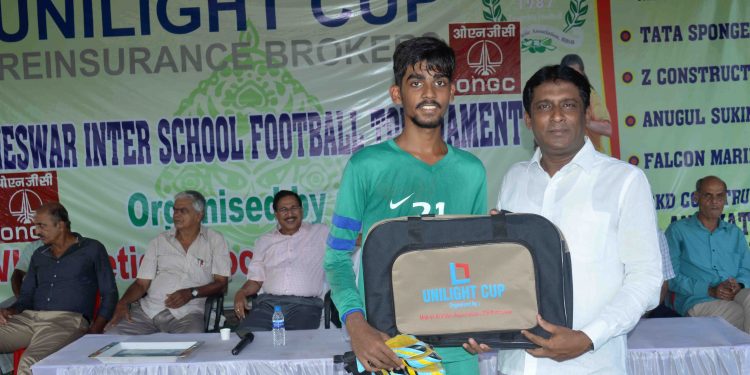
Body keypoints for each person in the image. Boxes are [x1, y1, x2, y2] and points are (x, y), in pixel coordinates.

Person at [466, 64, 662, 374]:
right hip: (517, 366)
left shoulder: (625, 181)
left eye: (568, 105)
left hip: (589, 364)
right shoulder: (514, 179)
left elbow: (647, 279)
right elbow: (504, 269)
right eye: (544, 106)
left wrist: (587, 338)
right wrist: (489, 326)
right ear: (529, 120)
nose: (557, 115)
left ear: (586, 115)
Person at [324, 36, 487, 373]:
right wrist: (356, 325)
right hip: (389, 347)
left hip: (458, 350)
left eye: (440, 81)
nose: (429, 92)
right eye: (417, 82)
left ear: (452, 92)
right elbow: (336, 258)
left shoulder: (472, 172)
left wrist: (488, 319)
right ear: (397, 93)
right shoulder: (366, 166)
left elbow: (477, 262)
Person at [0, 202, 118, 375]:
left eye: (42, 226)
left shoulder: (92, 249)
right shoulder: (39, 255)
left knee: (29, 363)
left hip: (66, 322)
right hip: (30, 319)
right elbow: (26, 297)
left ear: (61, 225)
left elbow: (110, 293)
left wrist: (95, 330)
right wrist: (8, 311)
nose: (36, 231)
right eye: (35, 226)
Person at [106, 190, 231, 334]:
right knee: (110, 336)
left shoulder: (215, 240)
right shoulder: (159, 241)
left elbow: (221, 284)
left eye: (183, 211)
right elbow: (141, 284)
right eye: (175, 210)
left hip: (188, 314)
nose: (176, 215)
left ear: (199, 215)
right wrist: (123, 302)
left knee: (190, 347)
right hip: (149, 311)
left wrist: (191, 293)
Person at [233, 190, 329, 332]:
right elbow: (255, 280)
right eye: (283, 209)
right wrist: (241, 292)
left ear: (302, 210)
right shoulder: (264, 241)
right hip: (268, 305)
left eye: (294, 208)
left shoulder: (321, 232)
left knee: (294, 344)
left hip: (305, 306)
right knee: (247, 338)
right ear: (276, 214)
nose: (289, 214)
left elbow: (351, 240)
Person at [666, 176, 750, 331]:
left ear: (725, 199)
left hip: (735, 294)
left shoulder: (734, 233)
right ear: (696, 197)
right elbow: (670, 278)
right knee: (737, 313)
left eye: (720, 196)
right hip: (698, 299)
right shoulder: (678, 231)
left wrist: (739, 284)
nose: (714, 201)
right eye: (708, 195)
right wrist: (709, 289)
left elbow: (747, 270)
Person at [560, 54, 612, 155]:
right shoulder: (556, 96)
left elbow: (607, 129)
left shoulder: (591, 95)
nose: (572, 78)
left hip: (592, 158)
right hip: (565, 159)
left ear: (582, 74)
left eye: (576, 74)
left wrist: (583, 121)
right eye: (568, 74)